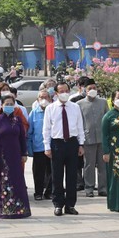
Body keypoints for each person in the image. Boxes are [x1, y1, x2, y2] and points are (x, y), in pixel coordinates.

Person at [43, 82, 85, 216]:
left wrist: (81, 144)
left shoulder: (75, 107)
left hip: (72, 143)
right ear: (56, 93)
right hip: (57, 143)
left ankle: (70, 205)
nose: (64, 93)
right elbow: (46, 129)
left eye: (66, 90)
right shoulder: (50, 108)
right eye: (61, 91)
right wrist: (47, 147)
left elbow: (80, 126)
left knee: (72, 176)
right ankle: (58, 204)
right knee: (57, 176)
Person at [0, 94, 31, 218]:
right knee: (4, 181)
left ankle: (20, 209)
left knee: (17, 180)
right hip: (2, 155)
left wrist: (24, 153)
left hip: (16, 154)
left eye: (11, 104)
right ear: (1, 106)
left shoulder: (18, 120)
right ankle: (5, 210)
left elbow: (22, 138)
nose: (9, 106)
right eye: (6, 104)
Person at [77, 79, 108, 197]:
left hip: (102, 138)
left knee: (102, 164)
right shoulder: (79, 104)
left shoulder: (103, 102)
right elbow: (78, 122)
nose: (92, 90)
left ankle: (103, 188)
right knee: (88, 165)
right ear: (85, 90)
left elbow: (107, 118)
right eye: (90, 88)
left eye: (94, 88)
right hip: (88, 138)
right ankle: (89, 188)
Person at [27, 90, 52, 201]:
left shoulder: (53, 111)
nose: (44, 99)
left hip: (52, 147)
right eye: (41, 97)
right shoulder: (34, 113)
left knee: (52, 171)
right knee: (38, 172)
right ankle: (38, 192)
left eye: (46, 97)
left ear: (50, 99)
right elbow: (29, 132)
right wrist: (29, 148)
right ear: (37, 100)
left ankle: (50, 191)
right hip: (38, 147)